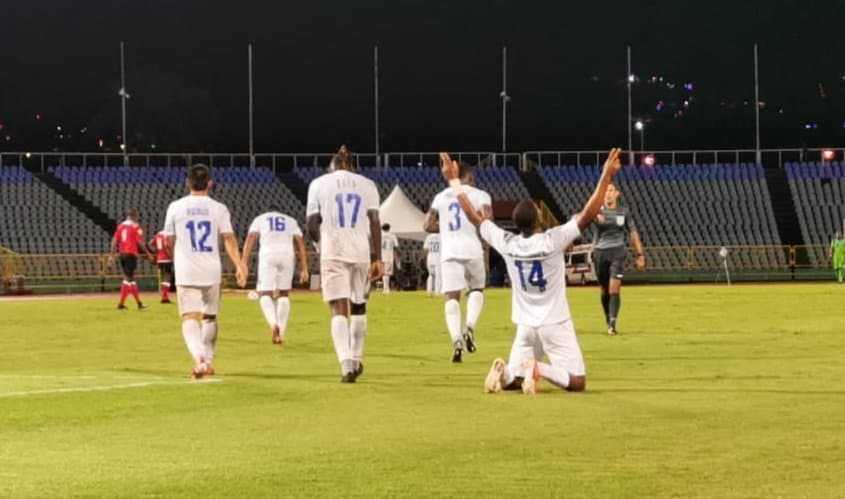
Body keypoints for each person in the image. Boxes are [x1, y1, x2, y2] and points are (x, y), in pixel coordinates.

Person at [438, 149, 622, 394]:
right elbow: (588, 214)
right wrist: (606, 176)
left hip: (525, 324)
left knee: (514, 379)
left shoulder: (507, 242)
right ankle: (538, 369)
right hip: (554, 321)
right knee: (577, 381)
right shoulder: (552, 240)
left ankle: (503, 373)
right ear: (538, 219)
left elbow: (475, 218)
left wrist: (453, 181)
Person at [306, 146, 382, 383]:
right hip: (360, 251)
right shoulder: (367, 184)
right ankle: (357, 359)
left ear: (333, 165)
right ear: (352, 164)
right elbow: (375, 222)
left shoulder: (319, 184)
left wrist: (320, 245)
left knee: (338, 308)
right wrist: (378, 257)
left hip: (333, 249)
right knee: (359, 306)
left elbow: (310, 224)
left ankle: (347, 364)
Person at [163, 164, 247, 378]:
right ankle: (207, 360)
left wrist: (176, 258)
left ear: (187, 182)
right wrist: (239, 264)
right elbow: (228, 238)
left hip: (186, 269)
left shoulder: (175, 207)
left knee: (190, 317)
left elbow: (167, 241)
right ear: (209, 183)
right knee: (210, 317)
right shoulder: (219, 208)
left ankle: (199, 357)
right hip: (211, 270)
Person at [423, 161, 492, 363]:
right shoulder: (481, 195)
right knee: (477, 290)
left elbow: (427, 225)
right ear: (468, 176)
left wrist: (445, 230)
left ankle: (455, 341)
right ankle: (469, 327)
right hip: (472, 248)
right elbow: (487, 219)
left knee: (452, 297)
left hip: (450, 251)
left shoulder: (440, 196)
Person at [242, 205, 309, 344]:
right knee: (283, 294)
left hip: (268, 255)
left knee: (264, 294)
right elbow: (300, 242)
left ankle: (274, 324)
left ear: (267, 211)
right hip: (287, 255)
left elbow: (251, 238)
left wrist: (243, 262)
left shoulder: (260, 219)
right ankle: (281, 333)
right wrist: (304, 268)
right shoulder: (291, 220)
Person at [591, 182, 645, 335]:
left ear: (617, 194)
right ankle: (608, 317)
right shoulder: (596, 211)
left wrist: (640, 254)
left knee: (614, 287)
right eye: (606, 190)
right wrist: (594, 216)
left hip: (618, 252)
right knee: (604, 289)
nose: (608, 193)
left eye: (611, 190)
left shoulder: (623, 212)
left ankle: (612, 324)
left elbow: (633, 233)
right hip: (600, 253)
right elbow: (578, 218)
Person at [107, 209, 154, 310]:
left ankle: (136, 303)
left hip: (122, 254)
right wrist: (148, 253)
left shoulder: (120, 226)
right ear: (135, 216)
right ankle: (123, 304)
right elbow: (140, 242)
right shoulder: (135, 226)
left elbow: (115, 240)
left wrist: (111, 255)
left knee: (130, 279)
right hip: (131, 254)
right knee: (128, 279)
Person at [150, 230, 175, 303]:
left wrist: (156, 251)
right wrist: (171, 257)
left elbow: (150, 243)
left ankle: (164, 296)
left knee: (163, 277)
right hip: (166, 259)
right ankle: (165, 297)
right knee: (167, 277)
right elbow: (167, 246)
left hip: (159, 259)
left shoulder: (158, 234)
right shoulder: (167, 234)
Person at [380, 223, 400, 294]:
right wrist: (398, 253)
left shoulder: (380, 235)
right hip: (389, 256)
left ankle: (385, 289)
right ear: (389, 228)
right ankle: (386, 289)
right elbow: (396, 246)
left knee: (383, 273)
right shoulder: (392, 236)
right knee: (387, 273)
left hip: (381, 256)